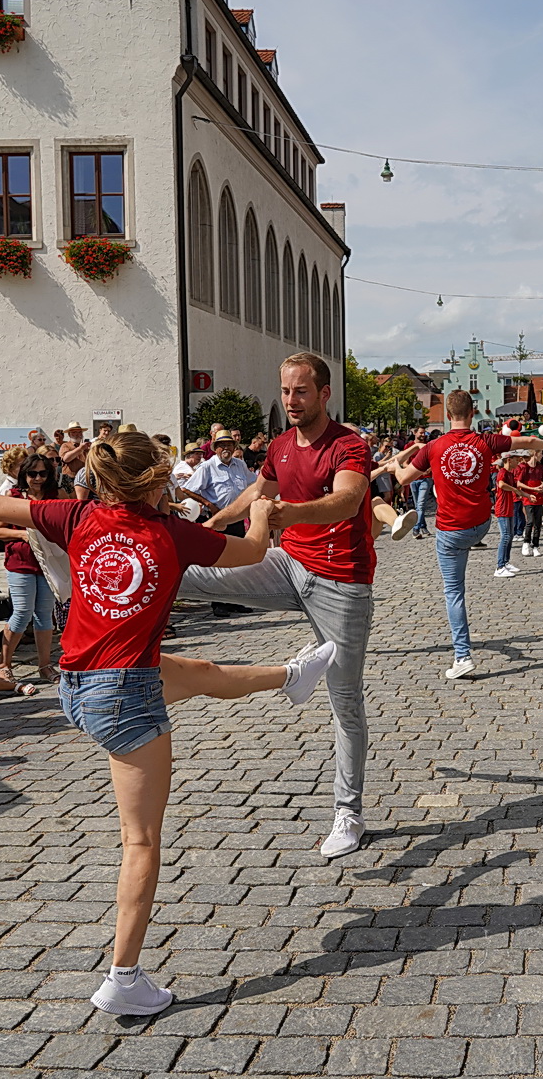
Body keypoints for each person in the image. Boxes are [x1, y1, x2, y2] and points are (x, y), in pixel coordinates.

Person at [0, 431, 337, 1016]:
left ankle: (288, 678)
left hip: (79, 681)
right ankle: (124, 977)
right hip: (123, 695)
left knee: (196, 669)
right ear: (155, 480)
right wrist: (263, 516)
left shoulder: (78, 515)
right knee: (140, 841)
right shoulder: (171, 532)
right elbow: (253, 552)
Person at [179, 353, 380, 860]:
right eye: (286, 392)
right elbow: (256, 492)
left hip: (341, 583)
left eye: (301, 392)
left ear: (324, 393)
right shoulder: (282, 445)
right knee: (196, 576)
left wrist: (288, 512)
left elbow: (348, 501)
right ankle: (106, 575)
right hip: (290, 563)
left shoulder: (348, 445)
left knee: (345, 701)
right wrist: (211, 527)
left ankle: (348, 814)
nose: (291, 401)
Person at [386, 391, 543, 677]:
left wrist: (396, 466)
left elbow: (404, 479)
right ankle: (499, 563)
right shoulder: (486, 441)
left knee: (454, 592)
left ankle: (462, 657)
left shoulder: (432, 446)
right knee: (466, 559)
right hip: (480, 525)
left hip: (451, 530)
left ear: (447, 415)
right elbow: (527, 441)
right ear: (472, 412)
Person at [0, 452, 61, 680]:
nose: (38, 478)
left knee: (44, 614)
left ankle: (44, 666)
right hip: (20, 563)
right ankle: (4, 664)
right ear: (24, 474)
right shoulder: (13, 497)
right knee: (21, 612)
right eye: (33, 474)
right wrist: (22, 534)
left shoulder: (56, 496)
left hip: (48, 563)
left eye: (43, 473)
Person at [184, 430, 256, 533]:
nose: (226, 448)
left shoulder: (240, 464)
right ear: (216, 449)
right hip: (216, 518)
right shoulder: (207, 466)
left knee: (238, 548)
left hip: (237, 519)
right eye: (222, 445)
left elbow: (254, 482)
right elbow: (187, 489)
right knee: (218, 548)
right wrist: (209, 505)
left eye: (229, 445)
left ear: (233, 448)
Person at [493, 451, 537, 577]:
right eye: (516, 459)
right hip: (502, 509)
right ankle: (500, 566)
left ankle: (506, 563)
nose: (518, 462)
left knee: (510, 535)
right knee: (506, 536)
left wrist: (528, 495)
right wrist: (513, 490)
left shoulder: (510, 474)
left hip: (509, 508)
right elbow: (501, 485)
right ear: (509, 460)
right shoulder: (502, 472)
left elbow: (516, 489)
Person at [519, 450, 543, 557]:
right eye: (541, 453)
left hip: (539, 498)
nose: (542, 456)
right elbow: (519, 482)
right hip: (528, 498)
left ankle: (535, 545)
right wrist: (532, 488)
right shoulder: (525, 467)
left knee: (538, 524)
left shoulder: (540, 467)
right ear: (535, 453)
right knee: (530, 521)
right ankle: (526, 542)